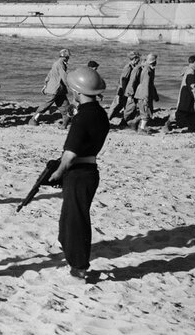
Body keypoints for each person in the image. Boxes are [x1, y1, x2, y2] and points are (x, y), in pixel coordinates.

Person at [47, 66, 110, 281]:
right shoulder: (100, 114)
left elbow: (70, 155)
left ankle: (79, 266)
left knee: (76, 221)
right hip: (90, 170)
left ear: (77, 92)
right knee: (71, 217)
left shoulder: (82, 118)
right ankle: (69, 251)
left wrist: (58, 172)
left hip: (78, 173)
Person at [30, 48, 71, 128]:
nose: (68, 58)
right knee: (46, 106)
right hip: (55, 89)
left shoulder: (57, 63)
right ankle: (33, 120)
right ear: (66, 57)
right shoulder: (60, 64)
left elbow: (49, 74)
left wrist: (45, 84)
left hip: (59, 90)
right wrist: (71, 86)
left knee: (65, 106)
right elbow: (64, 77)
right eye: (68, 57)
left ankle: (65, 123)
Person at [164, 55, 195, 132]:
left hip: (185, 94)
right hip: (187, 95)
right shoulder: (191, 72)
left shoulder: (187, 70)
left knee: (190, 112)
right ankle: (167, 124)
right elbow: (192, 86)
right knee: (182, 112)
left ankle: (191, 127)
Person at [108, 51, 140, 122]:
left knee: (124, 106)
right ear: (135, 59)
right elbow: (124, 80)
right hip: (122, 90)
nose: (139, 60)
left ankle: (124, 120)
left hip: (125, 90)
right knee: (116, 106)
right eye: (138, 58)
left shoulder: (132, 67)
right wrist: (126, 93)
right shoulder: (128, 67)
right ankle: (107, 119)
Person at [132, 53, 159, 133]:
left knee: (146, 111)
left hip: (143, 93)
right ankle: (141, 128)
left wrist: (155, 95)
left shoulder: (149, 69)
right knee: (146, 113)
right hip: (143, 94)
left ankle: (138, 125)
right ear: (153, 62)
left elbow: (150, 85)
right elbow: (146, 85)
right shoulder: (148, 71)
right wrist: (146, 97)